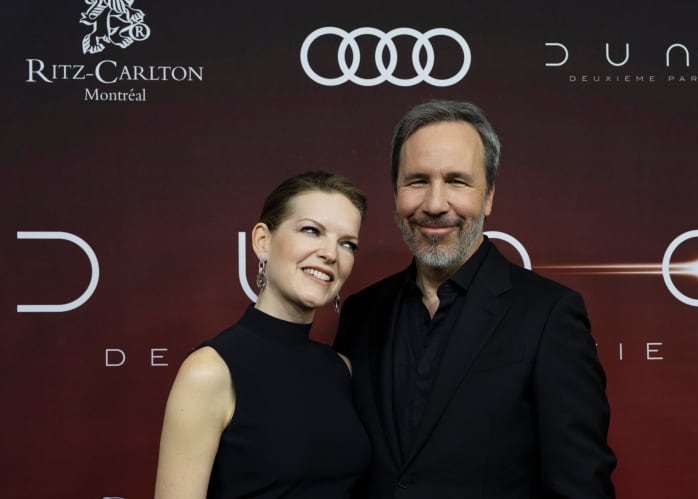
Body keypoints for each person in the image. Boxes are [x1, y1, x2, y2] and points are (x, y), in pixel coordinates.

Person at [334, 100, 616, 498]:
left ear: (488, 197)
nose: (434, 204)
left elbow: (581, 486)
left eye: (457, 181)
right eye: (417, 181)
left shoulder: (549, 315)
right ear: (395, 192)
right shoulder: (361, 314)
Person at [155, 171, 371, 499]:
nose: (331, 253)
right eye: (312, 230)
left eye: (347, 243)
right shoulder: (210, 371)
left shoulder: (342, 369)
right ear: (262, 241)